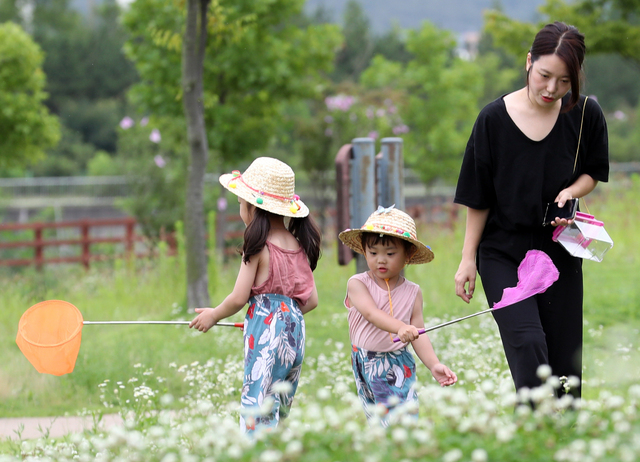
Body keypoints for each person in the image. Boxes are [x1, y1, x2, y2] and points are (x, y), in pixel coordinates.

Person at [453, 21, 609, 398]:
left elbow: (592, 172)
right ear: (528, 62)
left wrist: (571, 190)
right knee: (526, 340)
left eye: (564, 81)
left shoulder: (585, 114)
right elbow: (478, 197)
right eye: (544, 75)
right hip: (502, 250)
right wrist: (467, 258)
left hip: (560, 250)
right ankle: (533, 425)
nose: (552, 89)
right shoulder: (492, 120)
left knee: (563, 363)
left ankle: (562, 433)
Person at [190, 157, 320, 432]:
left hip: (268, 331)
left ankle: (255, 457)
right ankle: (279, 452)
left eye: (240, 202)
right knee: (279, 405)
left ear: (253, 206)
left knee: (257, 402)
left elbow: (239, 297)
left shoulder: (258, 245)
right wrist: (263, 319)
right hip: (296, 334)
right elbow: (312, 301)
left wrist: (214, 315)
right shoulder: (298, 245)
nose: (240, 208)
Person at [339, 206, 457, 423]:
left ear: (408, 255)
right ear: (364, 252)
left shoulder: (413, 292)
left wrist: (434, 364)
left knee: (400, 418)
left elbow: (418, 332)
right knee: (376, 419)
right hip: (364, 360)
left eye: (390, 254)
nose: (380, 260)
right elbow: (371, 313)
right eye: (373, 253)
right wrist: (400, 327)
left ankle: (404, 449)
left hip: (396, 363)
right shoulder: (357, 284)